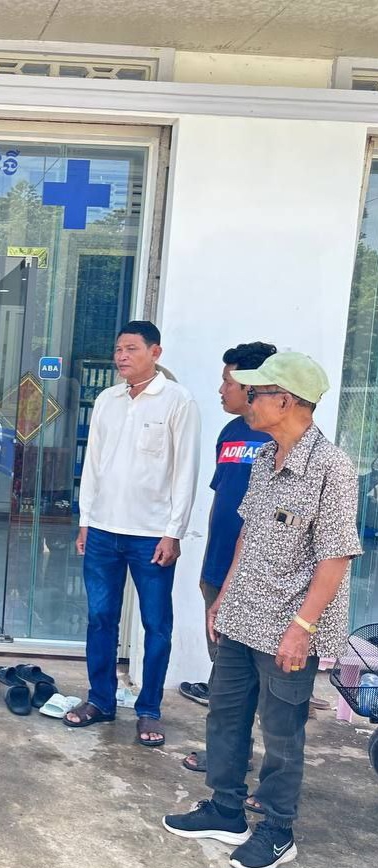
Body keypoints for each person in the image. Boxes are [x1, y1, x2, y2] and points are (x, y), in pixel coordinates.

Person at [163, 351, 361, 868]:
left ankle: (277, 829)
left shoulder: (332, 469)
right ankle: (226, 810)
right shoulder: (263, 457)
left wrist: (302, 628)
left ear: (286, 401)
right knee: (225, 717)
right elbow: (248, 534)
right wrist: (224, 598)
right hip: (242, 614)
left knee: (281, 733)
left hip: (288, 627)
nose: (246, 401)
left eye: (255, 393)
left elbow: (335, 558)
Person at [65, 320, 201, 747]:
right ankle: (101, 700)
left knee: (156, 625)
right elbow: (93, 465)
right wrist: (86, 520)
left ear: (155, 353)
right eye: (118, 349)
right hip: (103, 531)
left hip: (151, 536)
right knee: (100, 618)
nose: (121, 356)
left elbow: (186, 472)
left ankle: (149, 710)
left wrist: (173, 532)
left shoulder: (178, 401)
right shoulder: (108, 400)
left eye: (131, 349)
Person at [181, 342, 276, 775]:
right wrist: (209, 566)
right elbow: (222, 501)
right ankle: (229, 754)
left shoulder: (280, 439)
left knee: (254, 678)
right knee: (223, 670)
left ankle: (246, 760)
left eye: (228, 382)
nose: (222, 390)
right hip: (219, 568)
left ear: (253, 386)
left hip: (258, 577)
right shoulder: (231, 432)